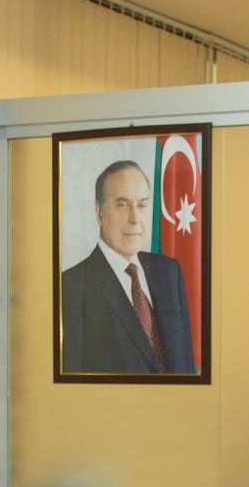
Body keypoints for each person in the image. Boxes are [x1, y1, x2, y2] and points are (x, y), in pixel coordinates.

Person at [58, 159, 197, 375]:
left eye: (141, 205)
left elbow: (186, 366)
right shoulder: (71, 288)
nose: (135, 218)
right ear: (99, 212)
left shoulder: (169, 272)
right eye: (122, 205)